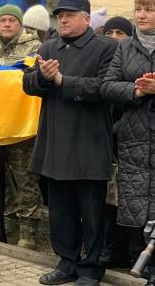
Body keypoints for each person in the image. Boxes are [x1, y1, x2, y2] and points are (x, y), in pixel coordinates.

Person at [24, 0, 117, 286]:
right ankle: (66, 263)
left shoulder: (106, 47)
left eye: (69, 15)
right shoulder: (48, 47)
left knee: (92, 213)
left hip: (89, 143)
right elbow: (28, 84)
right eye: (60, 15)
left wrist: (63, 81)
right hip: (54, 144)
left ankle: (92, 268)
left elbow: (105, 88)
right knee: (61, 211)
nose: (62, 20)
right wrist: (42, 77)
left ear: (86, 19)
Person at [101, 0, 155, 285]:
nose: (141, 15)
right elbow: (107, 86)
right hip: (133, 138)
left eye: (149, 9)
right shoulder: (125, 47)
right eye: (138, 9)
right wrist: (136, 90)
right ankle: (140, 263)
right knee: (135, 206)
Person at [0, 4, 42, 250]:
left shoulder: (34, 47)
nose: (7, 24)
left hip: (22, 126)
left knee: (25, 178)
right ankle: (8, 225)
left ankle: (29, 230)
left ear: (20, 24)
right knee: (3, 178)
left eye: (12, 20)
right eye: (3, 20)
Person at [97, 16, 134, 270]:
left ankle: (129, 250)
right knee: (108, 200)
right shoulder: (99, 62)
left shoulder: (133, 63)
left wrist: (116, 130)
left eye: (120, 32)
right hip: (103, 142)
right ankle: (111, 248)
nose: (113, 37)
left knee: (128, 198)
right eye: (109, 32)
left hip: (129, 142)